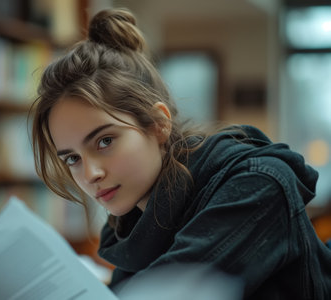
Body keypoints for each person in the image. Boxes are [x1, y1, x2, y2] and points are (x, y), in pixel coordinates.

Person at [30, 7, 331, 300]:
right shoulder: (136, 221)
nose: (90, 174)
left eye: (105, 141)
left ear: (159, 124)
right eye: (72, 158)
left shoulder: (254, 185)